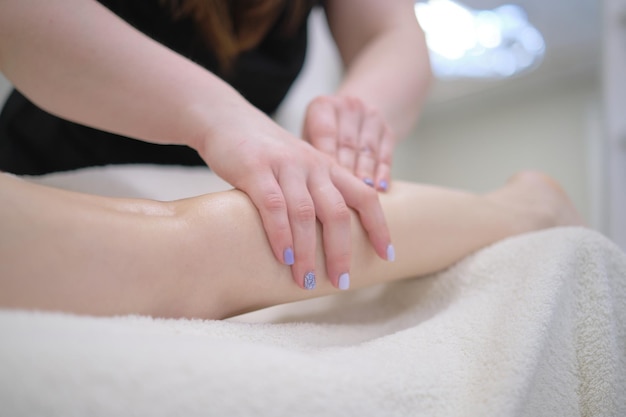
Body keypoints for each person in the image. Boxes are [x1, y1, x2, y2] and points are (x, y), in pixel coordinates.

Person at [0, 0, 432, 291]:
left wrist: (356, 116)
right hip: (50, 176)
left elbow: (391, 32)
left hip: (220, 191)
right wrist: (215, 116)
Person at [0, 169, 583, 319]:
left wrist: (355, 114)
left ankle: (526, 207)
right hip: (50, 143)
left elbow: (389, 35)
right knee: (192, 246)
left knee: (194, 242)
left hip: (216, 164)